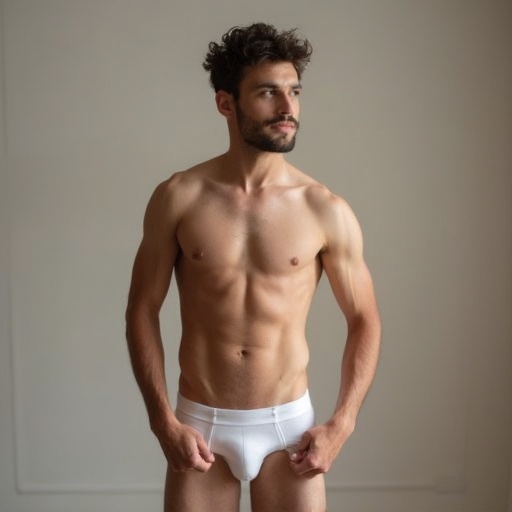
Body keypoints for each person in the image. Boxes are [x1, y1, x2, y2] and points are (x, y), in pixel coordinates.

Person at [125, 22, 381, 512]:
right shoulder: (179, 197)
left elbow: (364, 319)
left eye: (294, 92)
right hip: (200, 425)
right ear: (226, 103)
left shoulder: (324, 209)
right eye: (268, 93)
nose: (288, 109)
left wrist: (342, 424)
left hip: (290, 430)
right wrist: (163, 421)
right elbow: (142, 309)